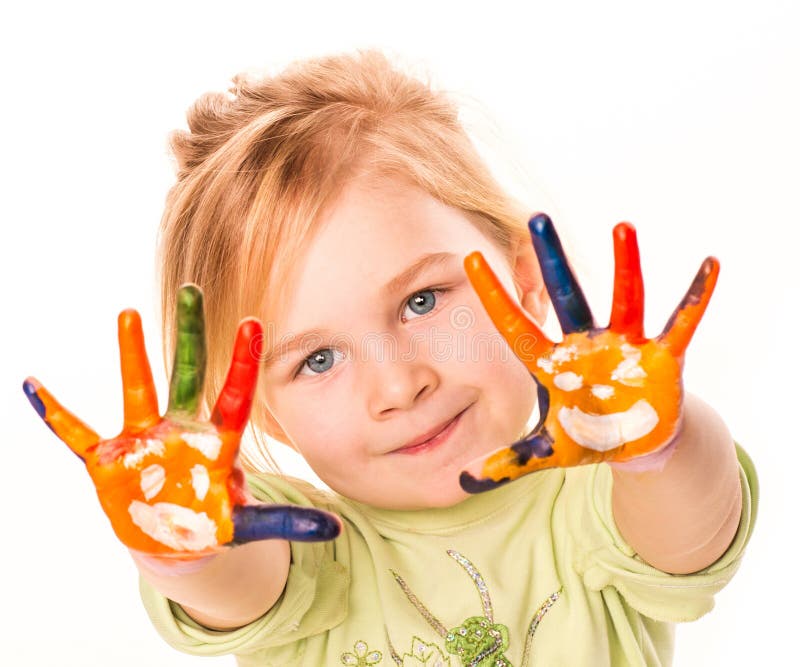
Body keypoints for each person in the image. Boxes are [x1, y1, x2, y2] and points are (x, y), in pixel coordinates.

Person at [26, 50, 757, 666]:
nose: (400, 385)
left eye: (422, 301)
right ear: (262, 414)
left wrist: (657, 445)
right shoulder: (308, 551)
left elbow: (692, 528)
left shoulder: (596, 504)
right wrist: (178, 542)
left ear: (526, 279)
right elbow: (230, 577)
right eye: (316, 360)